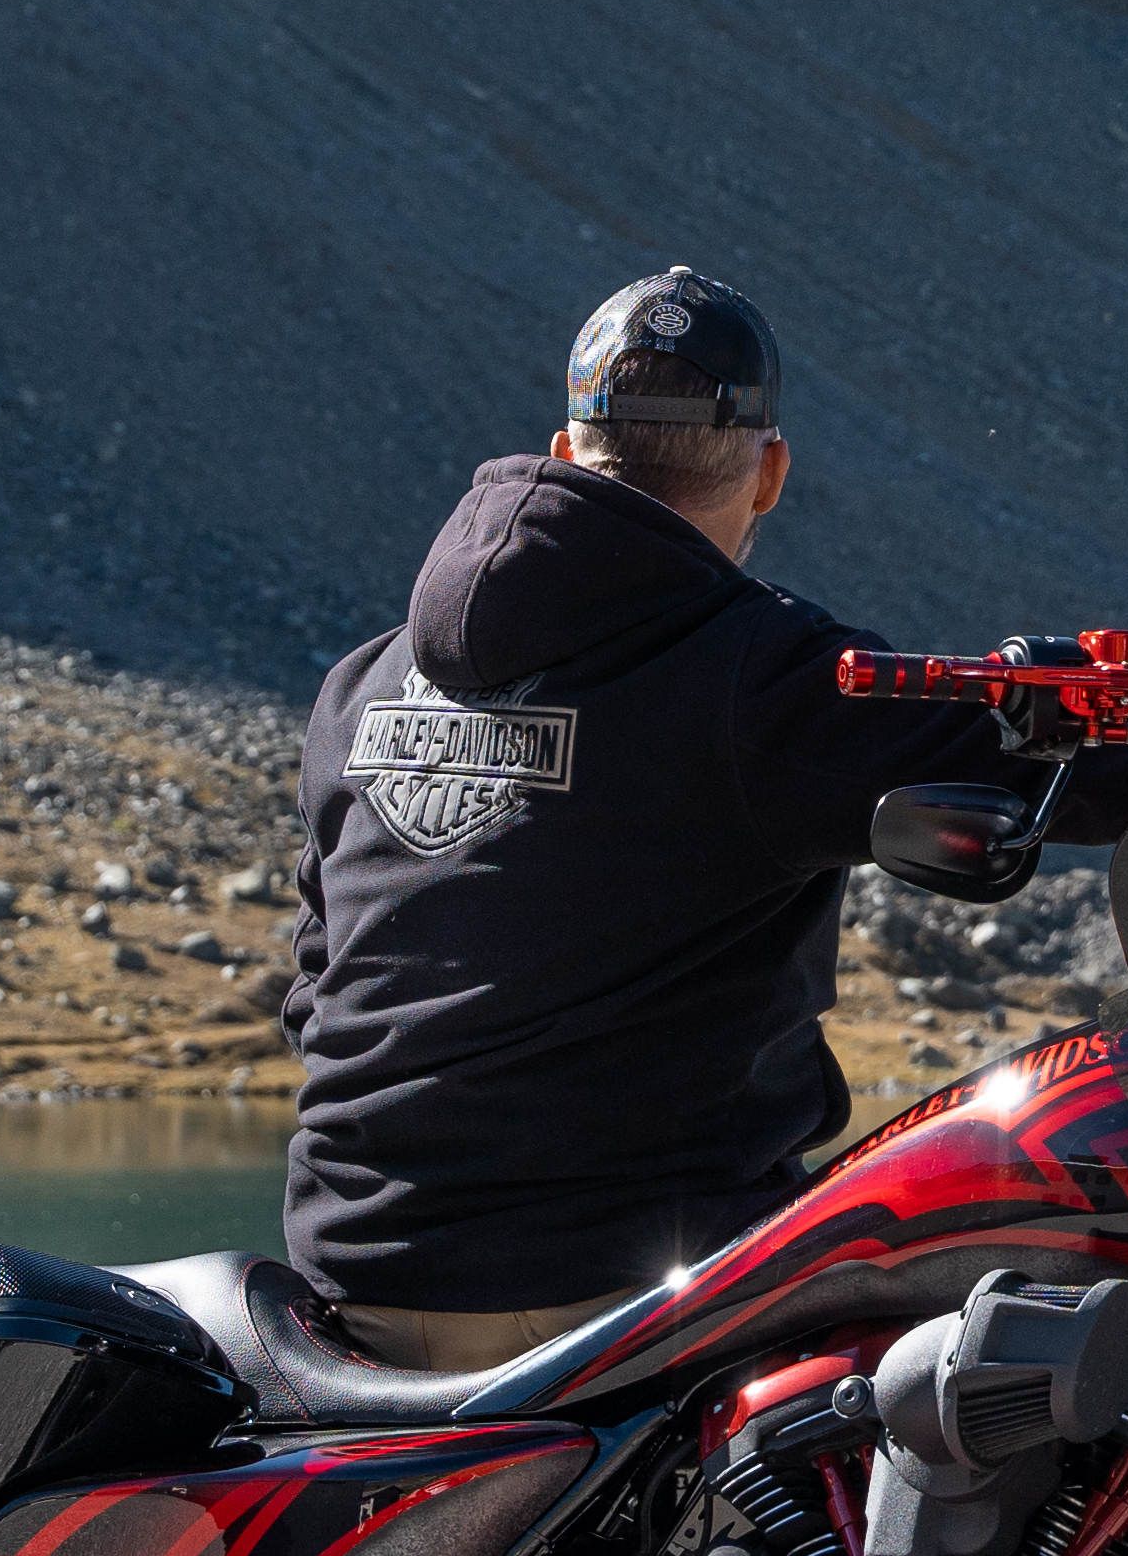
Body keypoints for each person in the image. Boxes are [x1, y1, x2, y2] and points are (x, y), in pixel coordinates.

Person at [276, 261, 1050, 1376]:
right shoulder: (767, 677)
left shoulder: (364, 680)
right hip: (630, 1305)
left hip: (351, 1302)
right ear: (769, 472)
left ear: (563, 449)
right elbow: (1058, 749)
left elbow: (318, 985)